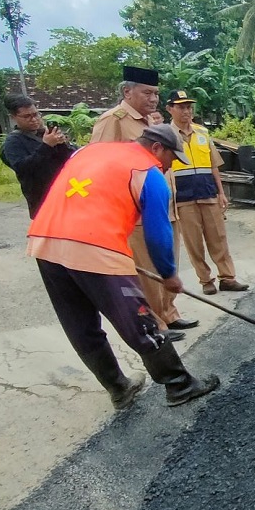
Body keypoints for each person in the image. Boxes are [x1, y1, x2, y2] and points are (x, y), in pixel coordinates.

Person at [27, 124, 220, 410]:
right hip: (97, 247)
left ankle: (119, 388)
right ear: (157, 148)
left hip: (46, 242)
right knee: (139, 319)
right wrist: (168, 274)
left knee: (80, 325)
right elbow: (158, 233)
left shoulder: (87, 152)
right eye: (171, 158)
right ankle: (179, 385)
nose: (169, 166)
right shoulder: (148, 172)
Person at [90, 66, 197, 338]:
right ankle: (156, 324)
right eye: (147, 92)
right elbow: (98, 166)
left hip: (164, 207)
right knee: (148, 270)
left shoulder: (152, 122)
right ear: (127, 91)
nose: (153, 99)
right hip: (135, 213)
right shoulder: (113, 121)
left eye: (156, 94)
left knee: (167, 261)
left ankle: (169, 314)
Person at [165, 89, 249, 296]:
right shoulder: (166, 135)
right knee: (194, 243)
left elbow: (213, 166)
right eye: (181, 107)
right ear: (170, 109)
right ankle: (206, 280)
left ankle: (227, 278)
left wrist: (221, 193)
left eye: (189, 107)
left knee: (218, 238)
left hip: (208, 192)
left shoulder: (202, 133)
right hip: (183, 198)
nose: (186, 111)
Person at [0, 94, 76, 218]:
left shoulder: (46, 134)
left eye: (36, 114)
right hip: (41, 200)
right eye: (27, 116)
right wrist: (46, 146)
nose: (34, 119)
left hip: (65, 194)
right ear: (13, 117)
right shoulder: (13, 141)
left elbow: (70, 159)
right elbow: (23, 168)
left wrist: (62, 144)